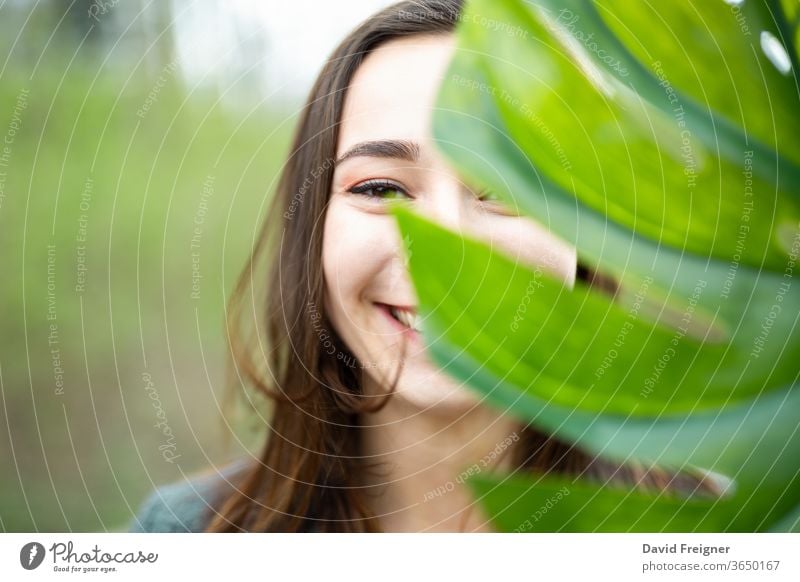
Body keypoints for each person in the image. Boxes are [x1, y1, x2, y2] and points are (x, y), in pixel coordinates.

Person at [129, 0, 717, 533]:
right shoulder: (183, 537)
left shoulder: (720, 536)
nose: (447, 246)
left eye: (509, 186)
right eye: (382, 187)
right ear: (313, 233)